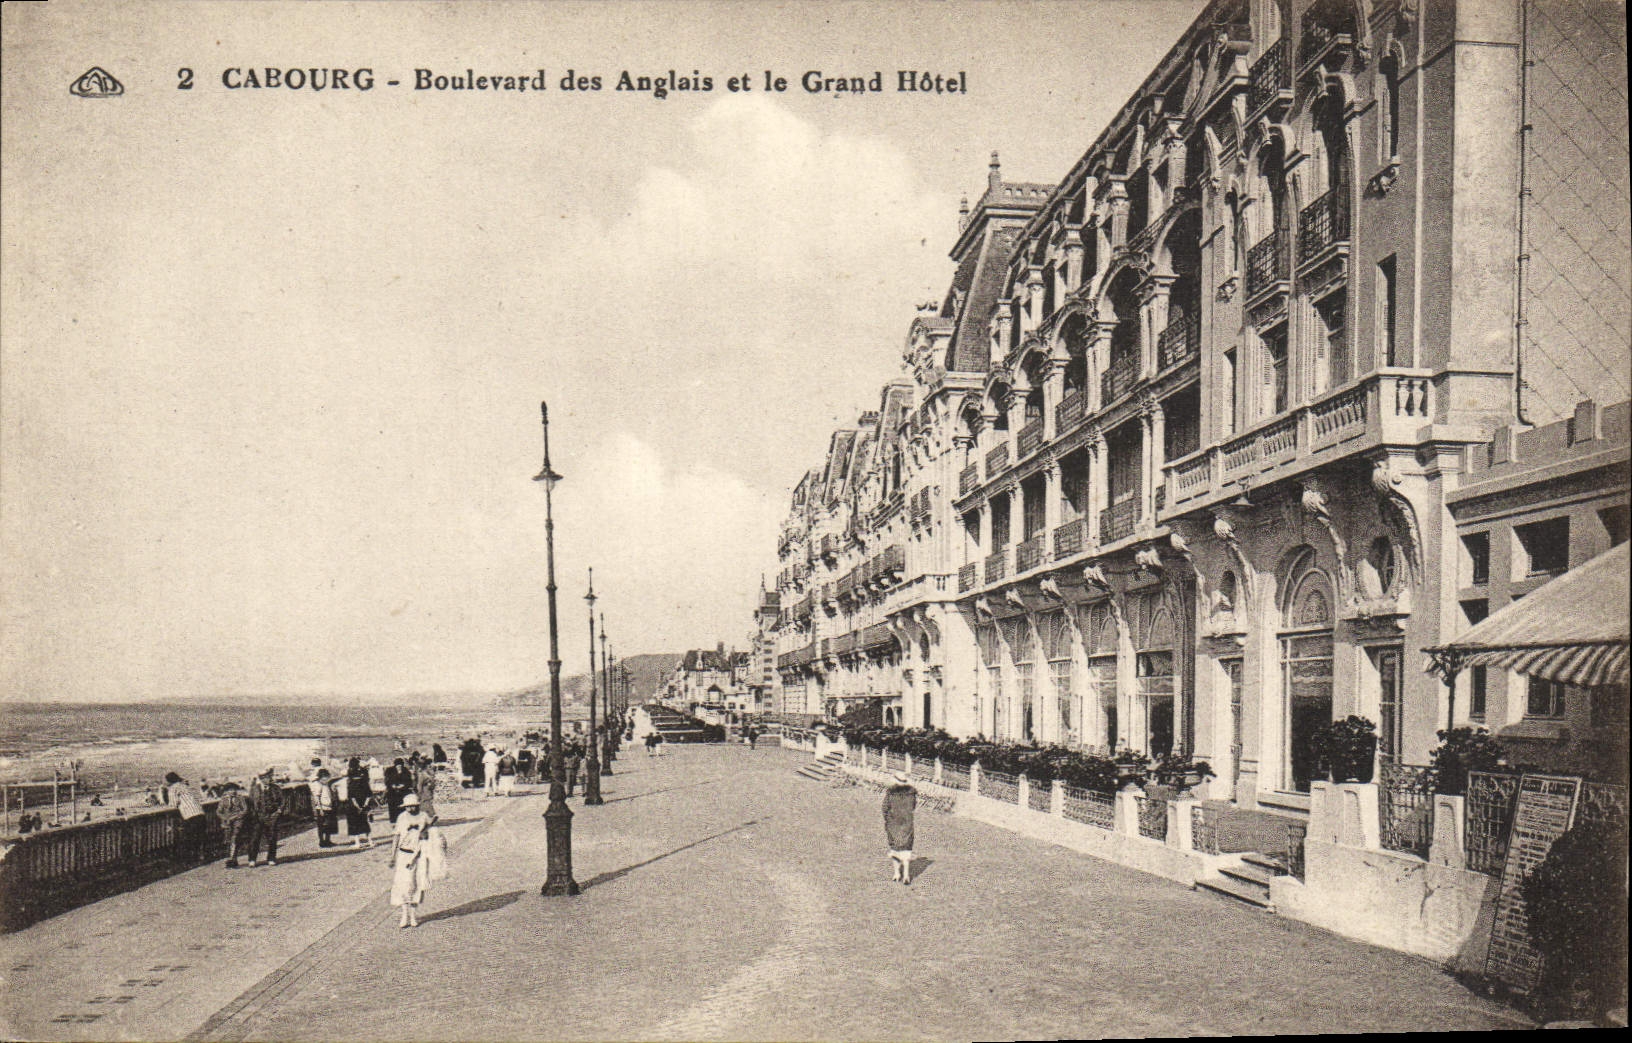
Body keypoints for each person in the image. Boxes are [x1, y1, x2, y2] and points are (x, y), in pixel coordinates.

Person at [390, 793, 443, 928]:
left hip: (419, 854)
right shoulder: (401, 817)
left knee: (417, 884)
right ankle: (404, 914)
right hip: (404, 854)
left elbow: (431, 829)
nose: (411, 809)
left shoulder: (423, 815)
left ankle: (413, 916)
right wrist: (392, 856)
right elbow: (396, 836)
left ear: (417, 805)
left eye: (413, 806)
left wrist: (430, 827)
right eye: (408, 807)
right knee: (403, 884)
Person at [883, 770, 918, 885]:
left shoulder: (891, 793)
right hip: (907, 823)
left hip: (894, 822)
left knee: (895, 848)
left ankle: (897, 873)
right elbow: (913, 807)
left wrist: (888, 819)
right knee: (906, 848)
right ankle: (906, 875)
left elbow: (884, 808)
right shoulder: (911, 794)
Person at [245, 766, 285, 867]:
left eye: (267, 777)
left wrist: (278, 812)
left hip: (272, 816)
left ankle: (271, 858)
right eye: (263, 778)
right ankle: (252, 859)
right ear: (260, 779)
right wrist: (253, 815)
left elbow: (283, 801)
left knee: (272, 838)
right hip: (258, 817)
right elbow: (250, 803)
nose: (266, 780)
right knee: (254, 838)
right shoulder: (254, 789)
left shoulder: (276, 788)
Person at [164, 771, 207, 863]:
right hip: (200, 813)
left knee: (189, 839)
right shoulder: (184, 786)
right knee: (199, 838)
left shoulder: (173, 788)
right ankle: (201, 858)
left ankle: (190, 860)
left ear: (169, 781)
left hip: (190, 815)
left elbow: (173, 804)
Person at [344, 757, 373, 848]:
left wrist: (358, 807)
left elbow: (352, 797)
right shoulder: (364, 781)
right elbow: (369, 794)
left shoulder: (351, 783)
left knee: (354, 823)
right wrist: (365, 805)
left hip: (354, 806)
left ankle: (357, 843)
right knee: (364, 822)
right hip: (364, 803)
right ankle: (370, 841)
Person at [309, 768, 337, 847]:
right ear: (321, 777)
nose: (327, 779)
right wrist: (320, 809)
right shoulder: (319, 785)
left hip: (328, 807)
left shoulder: (326, 785)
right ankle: (322, 841)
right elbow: (317, 798)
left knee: (328, 825)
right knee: (322, 826)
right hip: (322, 808)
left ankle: (327, 840)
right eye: (325, 777)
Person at [384, 757, 413, 822]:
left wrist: (403, 785)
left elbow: (409, 781)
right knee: (393, 806)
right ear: (395, 765)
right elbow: (387, 780)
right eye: (398, 766)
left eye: (400, 766)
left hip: (403, 791)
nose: (399, 767)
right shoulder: (389, 770)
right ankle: (394, 820)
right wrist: (392, 785)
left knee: (402, 806)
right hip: (392, 791)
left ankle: (403, 819)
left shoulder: (406, 771)